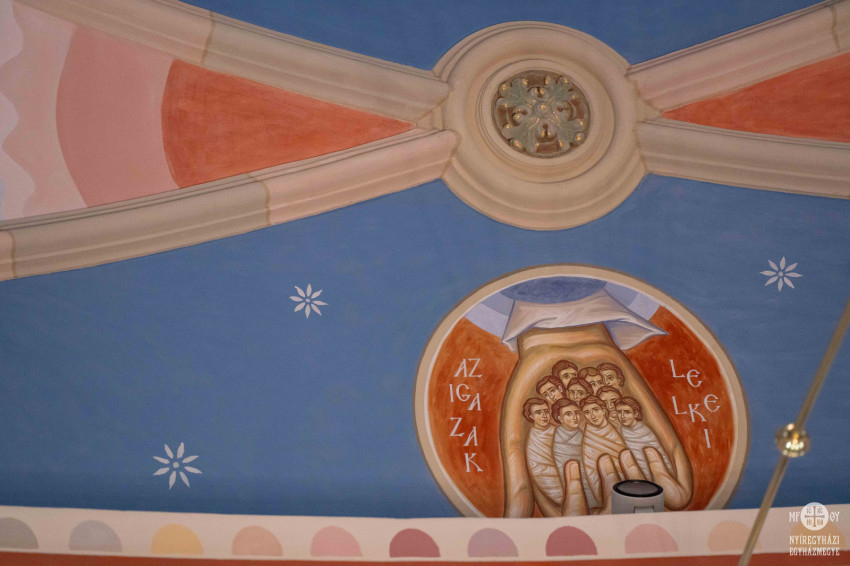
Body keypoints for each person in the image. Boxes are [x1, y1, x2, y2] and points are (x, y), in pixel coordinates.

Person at [551, 399, 599, 509]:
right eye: (569, 414)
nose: (575, 417)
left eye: (576, 413)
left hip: (589, 480)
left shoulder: (583, 435)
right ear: (560, 418)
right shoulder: (557, 438)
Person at [580, 395, 627, 502]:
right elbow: (591, 473)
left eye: (595, 410)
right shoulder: (588, 440)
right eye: (587, 412)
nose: (592, 416)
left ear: (604, 410)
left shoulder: (615, 430)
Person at [616, 397, 674, 479]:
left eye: (627, 412)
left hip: (653, 471)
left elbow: (659, 452)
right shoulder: (622, 430)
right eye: (619, 412)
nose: (622, 416)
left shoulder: (645, 431)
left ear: (635, 414)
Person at [523, 398, 563, 506]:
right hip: (550, 482)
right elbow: (538, 469)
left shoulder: (558, 430)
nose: (544, 416)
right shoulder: (533, 440)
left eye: (546, 411)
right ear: (531, 416)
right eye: (538, 412)